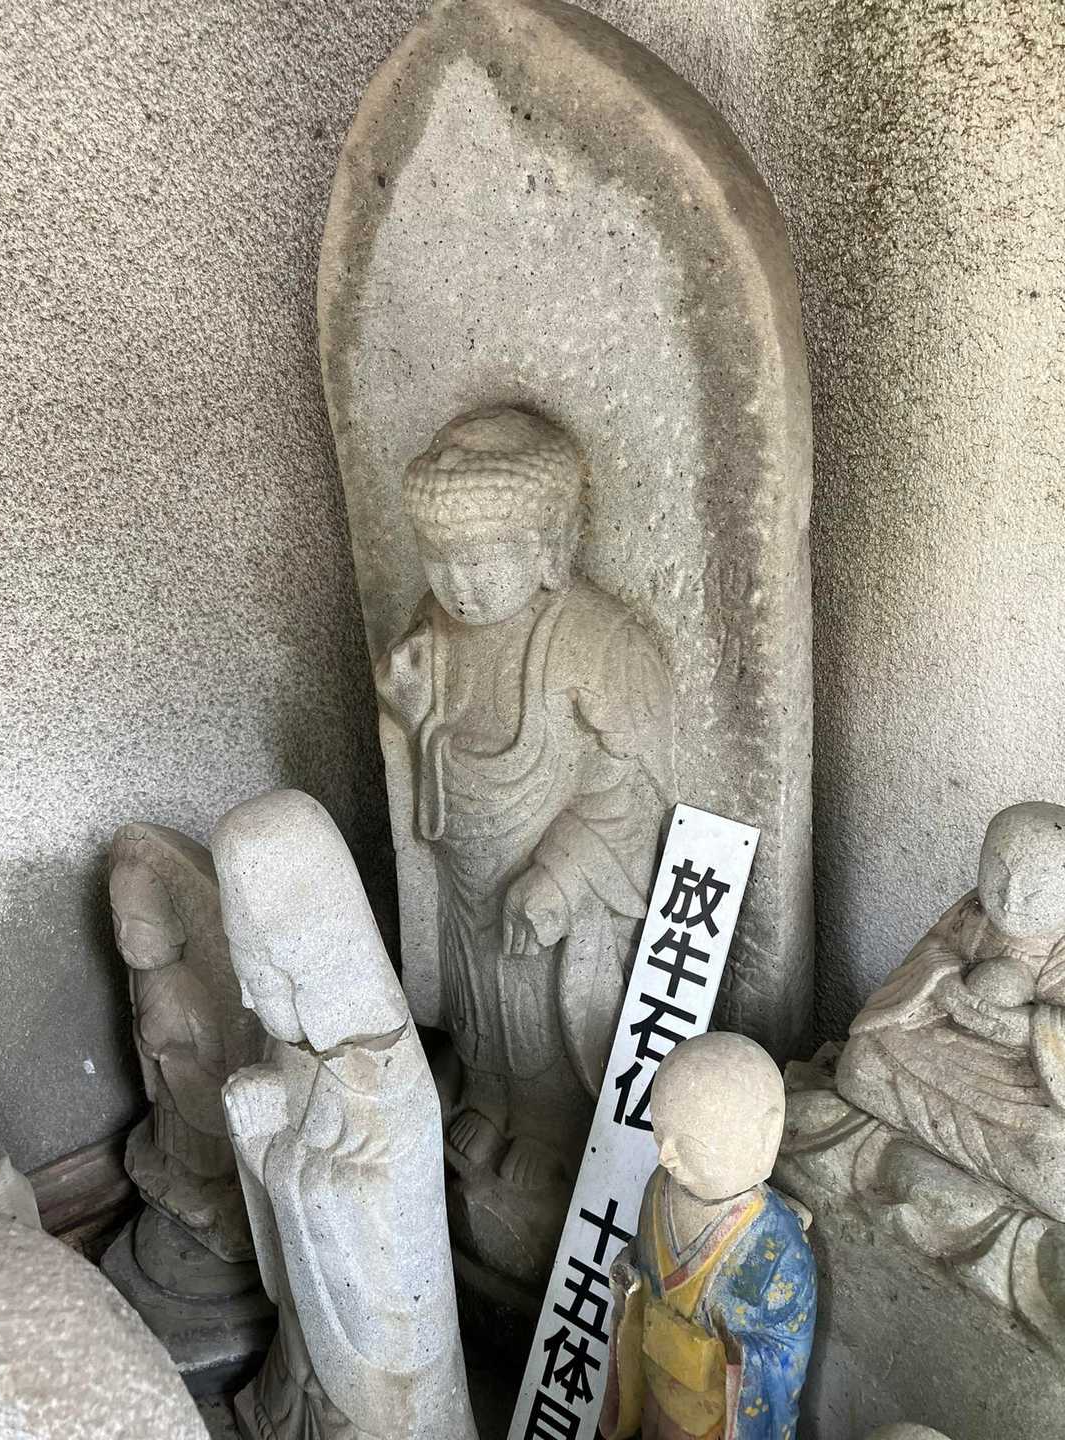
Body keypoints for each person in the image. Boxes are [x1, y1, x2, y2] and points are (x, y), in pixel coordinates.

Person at [377, 405, 675, 1279]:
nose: (457, 585)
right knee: (482, 999)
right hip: (465, 872)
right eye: (438, 559)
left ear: (546, 547)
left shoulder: (592, 641)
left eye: (479, 561)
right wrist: (412, 715)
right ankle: (488, 1093)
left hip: (561, 885)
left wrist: (565, 874)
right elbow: (431, 755)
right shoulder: (436, 626)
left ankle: (551, 1126)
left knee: (543, 1000)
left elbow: (641, 794)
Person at [211, 789, 477, 1440]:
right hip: (311, 1321)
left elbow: (380, 1220)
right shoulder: (302, 1039)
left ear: (307, 961)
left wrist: (272, 1149)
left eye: (258, 977)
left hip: (376, 1353)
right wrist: (261, 1103)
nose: (245, 997)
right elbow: (292, 1119)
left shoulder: (387, 1078)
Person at [837, 801, 1065, 1220]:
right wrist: (941, 984)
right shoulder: (972, 911)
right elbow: (928, 956)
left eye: (1035, 890)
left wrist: (1028, 1028)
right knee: (860, 1063)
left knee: (1057, 1170)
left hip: (1020, 1081)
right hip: (946, 1042)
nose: (1010, 899)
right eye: (998, 876)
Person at [601, 1033, 816, 1440]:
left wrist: (738, 1352)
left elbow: (786, 1353)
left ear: (764, 1138)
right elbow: (644, 1261)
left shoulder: (775, 1245)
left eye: (689, 1144)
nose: (665, 1155)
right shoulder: (659, 1188)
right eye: (659, 1131)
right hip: (653, 1383)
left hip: (711, 1416)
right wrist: (630, 1277)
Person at [109, 823, 260, 1255]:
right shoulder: (142, 978)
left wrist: (174, 1058)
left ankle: (210, 1179)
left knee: (199, 1146)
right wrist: (150, 1052)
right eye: (119, 924)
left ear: (173, 928)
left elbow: (213, 1049)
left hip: (190, 1085)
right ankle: (175, 1168)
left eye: (139, 925)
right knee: (170, 1136)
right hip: (166, 1087)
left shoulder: (185, 988)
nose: (125, 939)